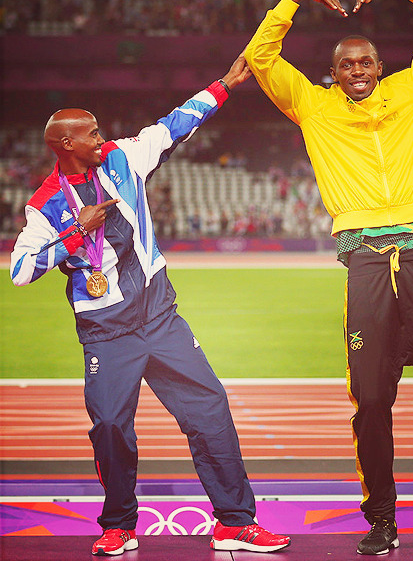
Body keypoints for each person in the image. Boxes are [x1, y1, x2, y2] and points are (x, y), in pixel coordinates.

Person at [244, 0, 413, 556]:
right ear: (333, 73)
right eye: (346, 64)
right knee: (372, 401)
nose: (357, 71)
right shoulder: (313, 106)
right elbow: (259, 55)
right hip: (367, 264)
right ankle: (382, 517)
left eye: (366, 62)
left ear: (379, 66)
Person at [10, 54, 290, 557]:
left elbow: (174, 124)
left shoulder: (123, 157)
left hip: (160, 319)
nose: (103, 139)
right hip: (106, 333)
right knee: (112, 427)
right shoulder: (46, 204)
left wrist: (224, 84)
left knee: (210, 409)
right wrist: (76, 233)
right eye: (92, 134)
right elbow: (21, 270)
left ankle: (234, 522)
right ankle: (119, 524)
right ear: (66, 145)